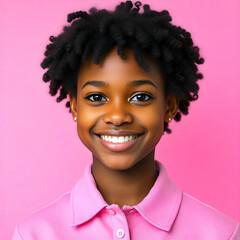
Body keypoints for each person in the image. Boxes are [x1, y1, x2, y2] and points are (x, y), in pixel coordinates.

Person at [12, 1, 240, 239]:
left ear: (169, 107)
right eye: (97, 97)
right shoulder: (33, 234)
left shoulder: (221, 233)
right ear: (75, 106)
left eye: (140, 97)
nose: (118, 116)